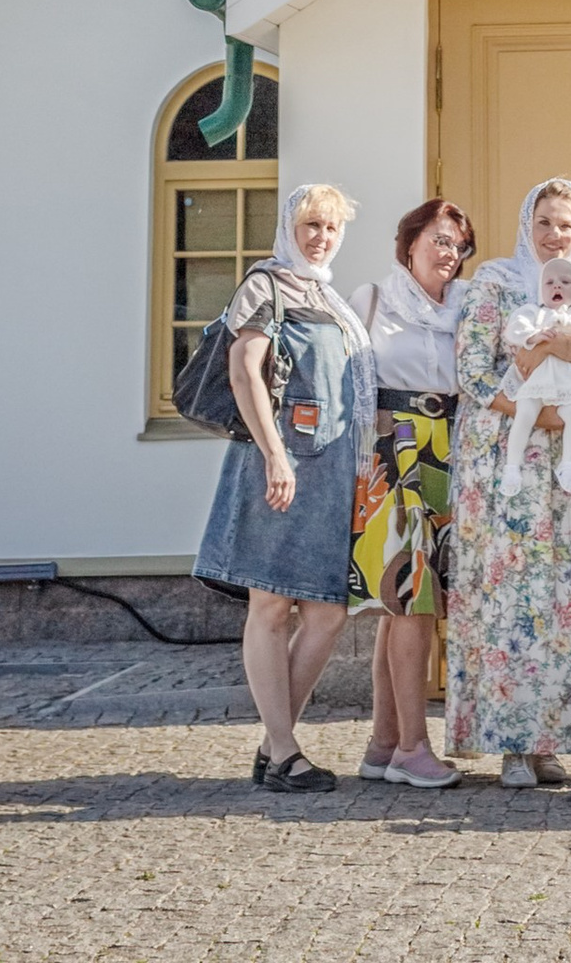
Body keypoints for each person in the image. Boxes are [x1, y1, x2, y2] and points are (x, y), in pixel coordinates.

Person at [446, 178, 571, 786]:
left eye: (567, 225)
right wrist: (544, 397)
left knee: (565, 598)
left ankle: (550, 740)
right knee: (509, 595)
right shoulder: (494, 283)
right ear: (528, 223)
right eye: (546, 222)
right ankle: (509, 742)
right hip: (508, 458)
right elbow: (474, 371)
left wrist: (555, 346)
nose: (556, 234)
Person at [193, 179, 373, 796]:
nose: (321, 239)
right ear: (289, 232)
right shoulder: (265, 285)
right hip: (280, 466)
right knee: (270, 606)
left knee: (326, 611)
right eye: (310, 228)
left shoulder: (329, 298)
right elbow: (245, 372)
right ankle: (287, 752)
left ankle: (275, 744)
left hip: (328, 472)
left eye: (331, 228)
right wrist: (274, 454)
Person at [352, 195, 475, 791]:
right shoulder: (373, 301)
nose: (450, 254)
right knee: (411, 599)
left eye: (459, 245)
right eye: (440, 240)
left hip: (451, 450)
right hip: (393, 449)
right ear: (409, 244)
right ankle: (412, 747)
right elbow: (351, 390)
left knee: (406, 610)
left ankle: (381, 744)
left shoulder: (466, 309)